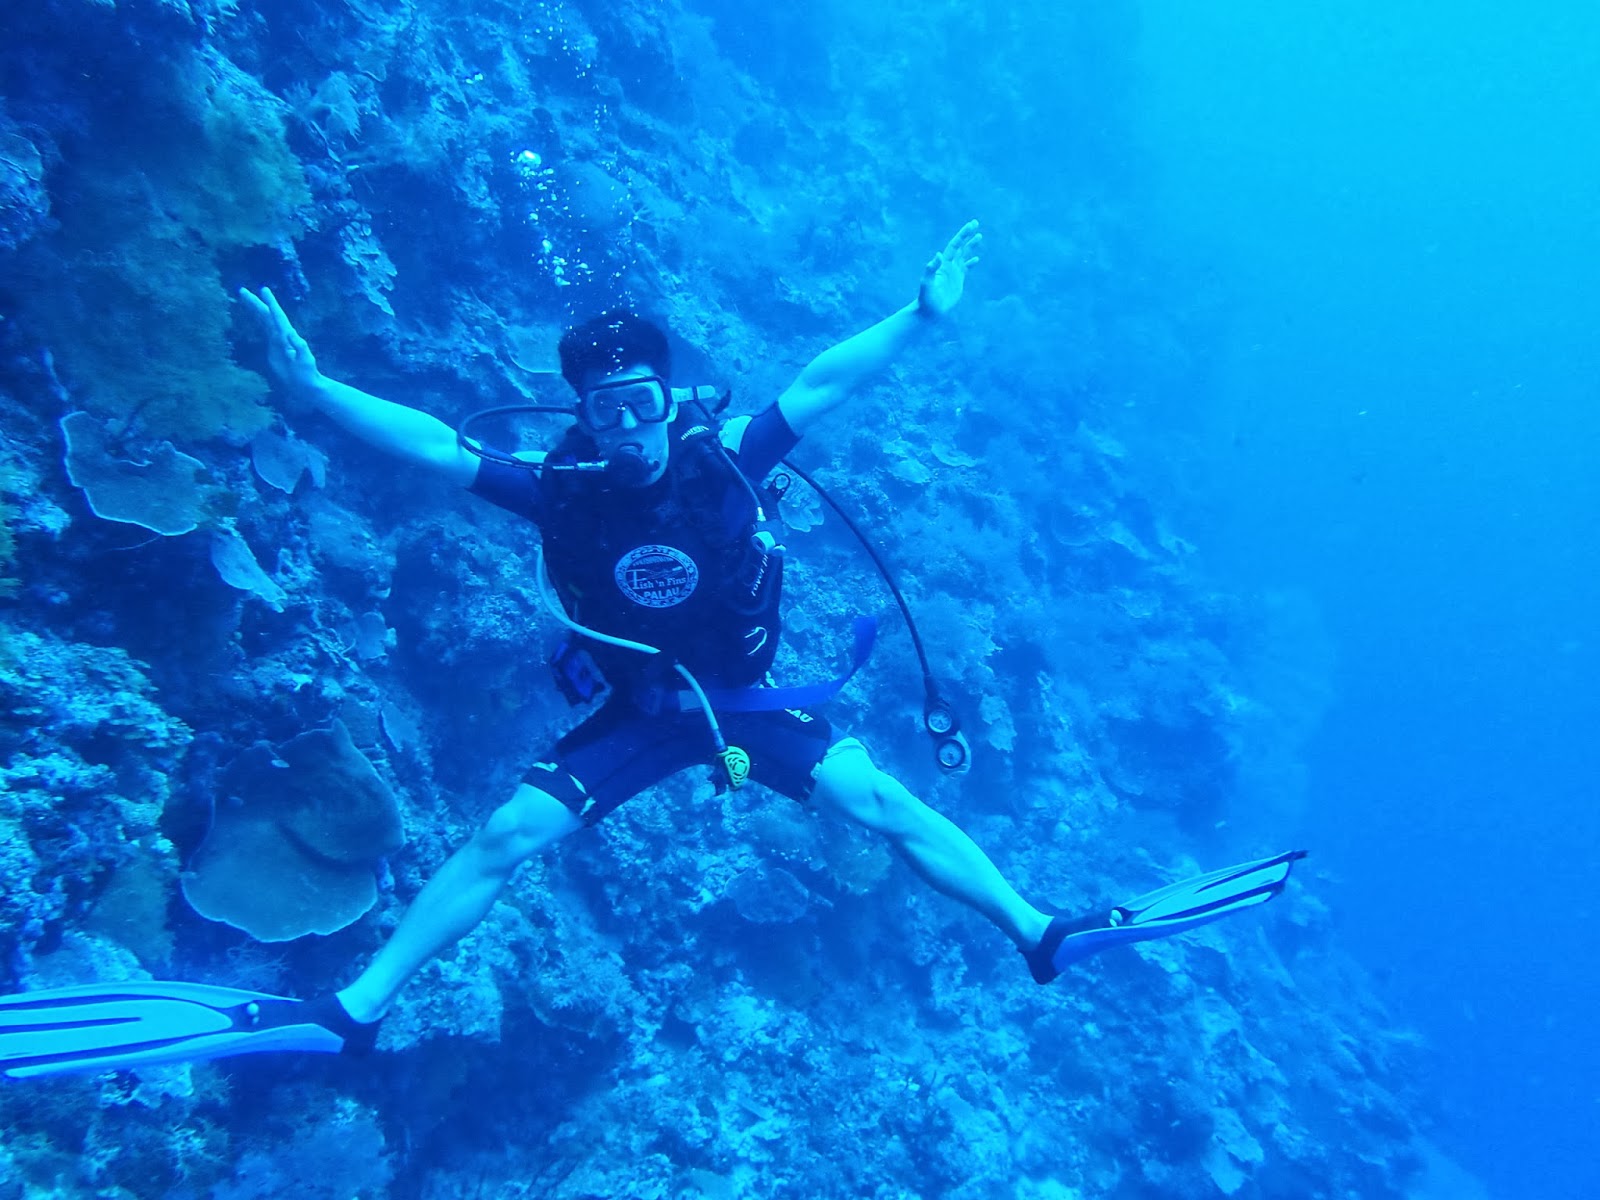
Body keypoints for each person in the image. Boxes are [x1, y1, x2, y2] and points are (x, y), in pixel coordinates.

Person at [0, 223, 1303, 1078]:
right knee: (507, 839)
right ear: (578, 407)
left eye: (637, 402)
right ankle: (356, 1006)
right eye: (599, 406)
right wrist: (309, 393)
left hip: (742, 701)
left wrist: (922, 316)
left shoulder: (727, 459)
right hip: (635, 711)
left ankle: (1039, 930)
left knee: (884, 800)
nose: (619, 426)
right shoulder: (561, 484)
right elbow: (434, 445)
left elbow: (825, 380)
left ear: (668, 396)